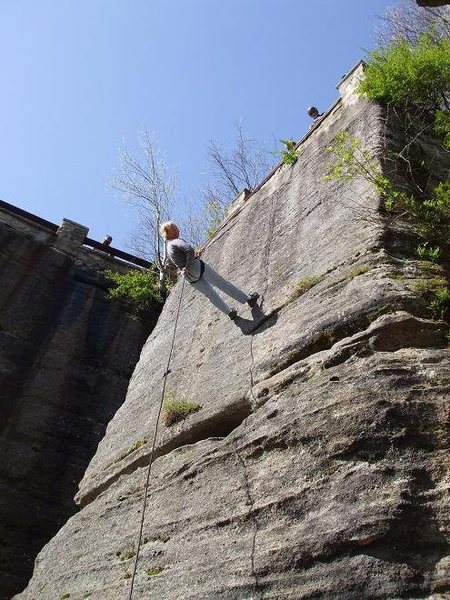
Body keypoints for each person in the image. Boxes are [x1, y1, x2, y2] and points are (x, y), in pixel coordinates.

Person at [160, 221, 259, 320]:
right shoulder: (176, 241)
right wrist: (189, 263)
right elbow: (189, 250)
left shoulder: (169, 247)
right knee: (221, 283)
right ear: (171, 232)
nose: (178, 229)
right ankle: (248, 299)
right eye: (176, 228)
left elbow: (183, 257)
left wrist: (190, 261)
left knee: (210, 294)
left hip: (189, 276)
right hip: (195, 267)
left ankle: (229, 312)